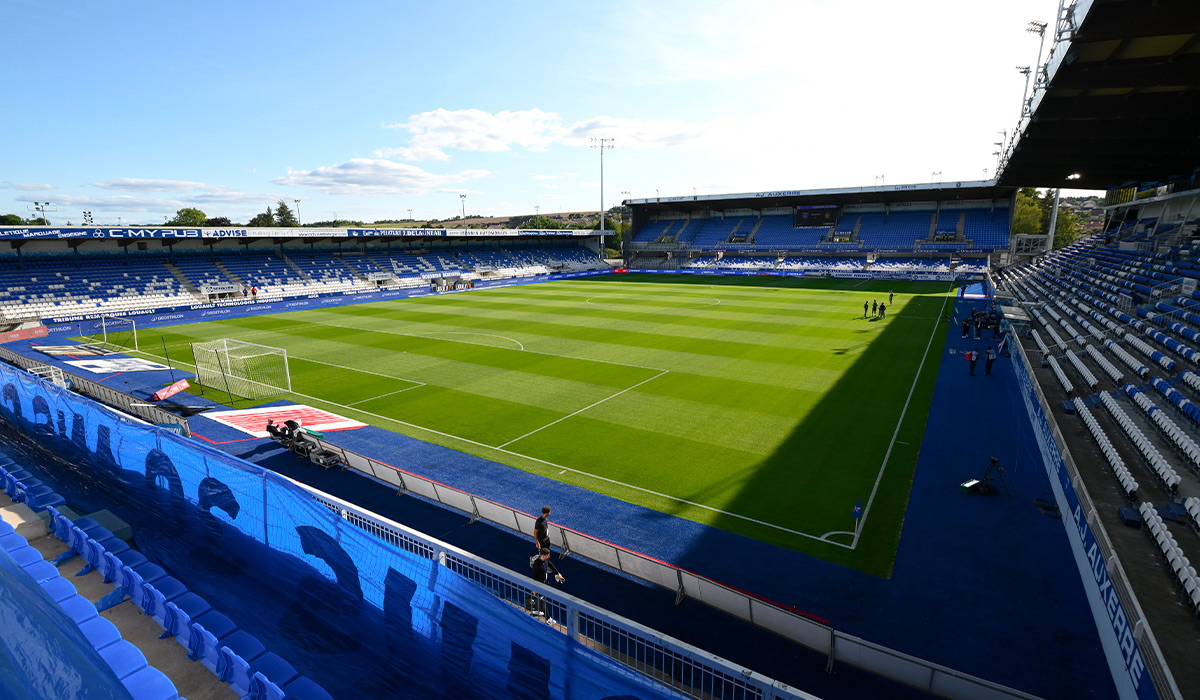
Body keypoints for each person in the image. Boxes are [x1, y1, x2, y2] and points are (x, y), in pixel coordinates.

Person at [526, 548, 564, 619]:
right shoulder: (537, 564)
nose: (549, 556)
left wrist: (557, 573)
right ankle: (548, 618)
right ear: (543, 556)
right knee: (541, 599)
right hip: (539, 584)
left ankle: (538, 611)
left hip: (543, 582)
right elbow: (534, 576)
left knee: (541, 598)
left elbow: (550, 564)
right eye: (548, 555)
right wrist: (534, 588)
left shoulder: (545, 560)